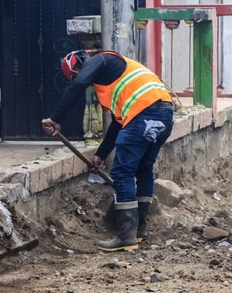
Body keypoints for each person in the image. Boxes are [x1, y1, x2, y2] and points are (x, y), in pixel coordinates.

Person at [42, 50, 174, 252]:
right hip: (164, 113)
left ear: (77, 67)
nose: (85, 82)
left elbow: (79, 84)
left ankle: (126, 236)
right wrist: (100, 155)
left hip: (143, 114)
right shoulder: (117, 76)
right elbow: (118, 124)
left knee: (122, 172)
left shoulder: (100, 59)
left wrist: (56, 118)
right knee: (143, 169)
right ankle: (139, 230)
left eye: (77, 75)